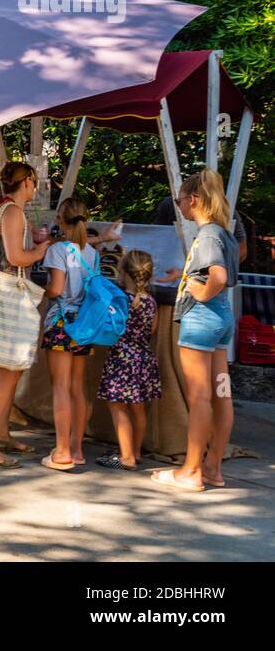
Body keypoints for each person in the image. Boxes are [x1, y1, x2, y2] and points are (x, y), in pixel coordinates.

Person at [152, 169, 238, 492]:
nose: (180, 207)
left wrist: (198, 292)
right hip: (221, 322)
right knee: (222, 393)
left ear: (194, 200)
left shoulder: (207, 235)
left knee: (199, 397)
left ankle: (190, 471)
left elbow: (215, 276)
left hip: (200, 322)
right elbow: (215, 273)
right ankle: (213, 467)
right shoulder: (225, 233)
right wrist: (187, 276)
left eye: (180, 201)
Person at [0, 160, 53, 468]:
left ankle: (0, 435)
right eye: (35, 181)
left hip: (3, 295)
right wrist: (41, 251)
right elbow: (16, 256)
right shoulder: (14, 212)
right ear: (27, 181)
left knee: (10, 372)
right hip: (9, 298)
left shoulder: (3, 210)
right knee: (5, 376)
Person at [39, 197, 101, 471]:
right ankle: (76, 448)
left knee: (61, 387)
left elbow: (55, 289)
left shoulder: (58, 250)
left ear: (60, 221)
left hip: (62, 321)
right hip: (84, 324)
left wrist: (39, 292)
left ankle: (61, 450)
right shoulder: (92, 253)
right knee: (78, 387)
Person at [95, 250, 162, 470]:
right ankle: (135, 451)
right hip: (143, 359)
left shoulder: (121, 299)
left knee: (118, 408)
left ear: (123, 272)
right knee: (138, 409)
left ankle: (126, 457)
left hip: (121, 358)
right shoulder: (151, 302)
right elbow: (152, 329)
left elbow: (111, 326)